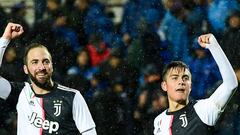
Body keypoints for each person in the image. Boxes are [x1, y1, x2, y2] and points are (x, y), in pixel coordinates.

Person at [0, 22, 97, 135]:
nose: (41, 67)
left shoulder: (72, 97)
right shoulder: (21, 93)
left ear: (52, 65)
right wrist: (4, 39)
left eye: (45, 61)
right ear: (25, 69)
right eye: (35, 62)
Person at [153, 33, 238, 135]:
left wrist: (214, 46)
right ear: (164, 86)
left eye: (185, 78)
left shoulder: (202, 109)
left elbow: (231, 84)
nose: (181, 82)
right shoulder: (159, 121)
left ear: (190, 86)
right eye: (175, 78)